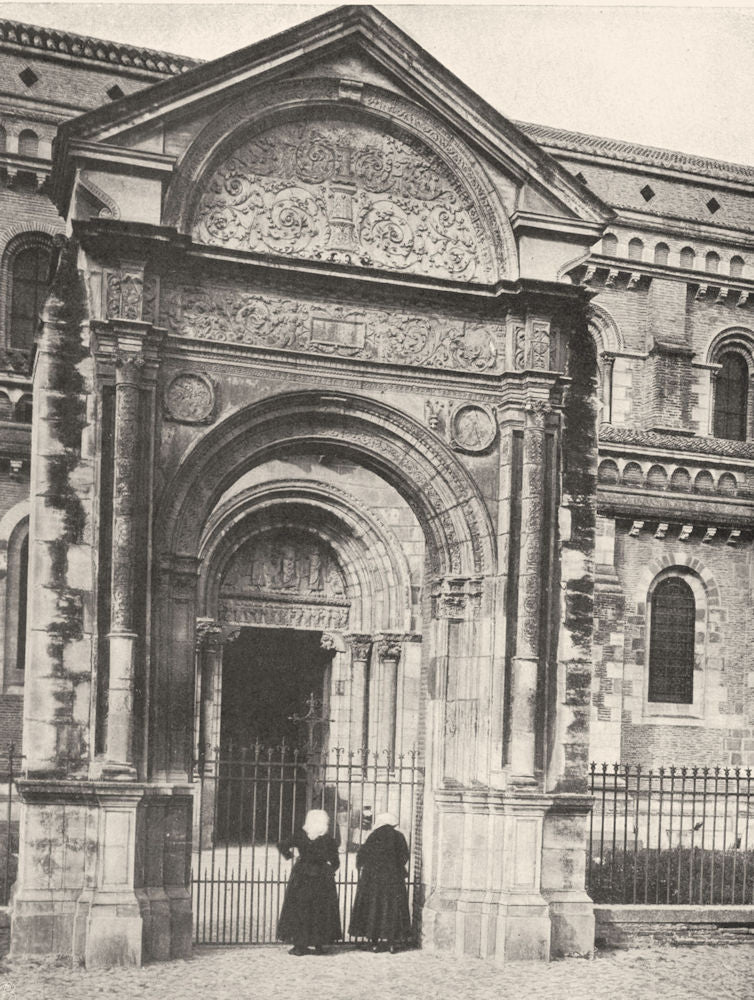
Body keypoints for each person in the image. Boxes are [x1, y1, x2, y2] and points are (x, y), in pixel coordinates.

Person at [277, 808, 342, 955]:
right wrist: (329, 870)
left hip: (302, 875)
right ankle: (319, 945)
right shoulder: (328, 839)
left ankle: (300, 945)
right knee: (321, 910)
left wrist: (291, 856)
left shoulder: (300, 836)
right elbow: (336, 862)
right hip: (321, 877)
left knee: (300, 909)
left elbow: (281, 845)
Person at [349, 812, 412, 953]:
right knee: (392, 908)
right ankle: (391, 943)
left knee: (374, 909)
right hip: (393, 879)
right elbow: (404, 856)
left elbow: (362, 855)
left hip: (373, 879)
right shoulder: (399, 836)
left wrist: (362, 868)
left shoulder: (373, 836)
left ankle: (374, 942)